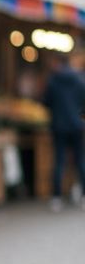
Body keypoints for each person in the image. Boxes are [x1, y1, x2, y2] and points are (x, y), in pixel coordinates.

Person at [42, 54, 85, 210]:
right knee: (80, 160)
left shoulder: (53, 81)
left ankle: (56, 197)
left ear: (57, 63)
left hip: (59, 126)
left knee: (59, 161)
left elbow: (46, 102)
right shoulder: (80, 80)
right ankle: (83, 196)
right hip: (77, 125)